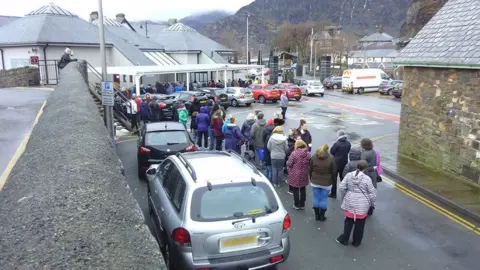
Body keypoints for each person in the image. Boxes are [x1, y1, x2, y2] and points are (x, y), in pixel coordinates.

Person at [336, 160, 377, 247]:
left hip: (349, 201)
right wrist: (372, 203)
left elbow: (342, 187)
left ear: (356, 166)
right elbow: (372, 193)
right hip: (362, 205)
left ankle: (344, 239)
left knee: (348, 222)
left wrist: (345, 196)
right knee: (360, 224)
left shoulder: (349, 175)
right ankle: (356, 242)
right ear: (365, 169)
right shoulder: (367, 179)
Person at [310, 144, 337, 221]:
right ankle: (322, 216)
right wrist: (333, 181)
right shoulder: (331, 158)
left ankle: (316, 215)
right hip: (327, 182)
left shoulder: (314, 157)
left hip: (315, 181)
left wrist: (311, 178)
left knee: (316, 198)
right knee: (323, 199)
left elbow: (310, 169)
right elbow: (334, 171)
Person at [287, 139, 310, 210]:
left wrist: (287, 162)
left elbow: (289, 163)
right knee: (303, 188)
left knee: (295, 189)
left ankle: (296, 204)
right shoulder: (308, 154)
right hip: (304, 174)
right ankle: (302, 204)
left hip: (294, 174)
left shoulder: (294, 153)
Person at [329, 130, 352, 198]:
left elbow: (332, 151)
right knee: (343, 179)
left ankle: (333, 193)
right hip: (344, 163)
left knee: (334, 179)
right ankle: (345, 194)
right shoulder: (348, 143)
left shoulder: (337, 143)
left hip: (336, 163)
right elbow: (348, 150)